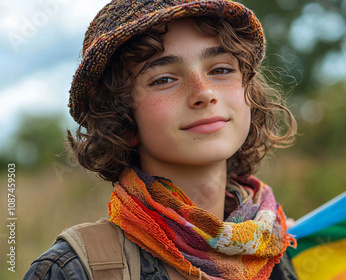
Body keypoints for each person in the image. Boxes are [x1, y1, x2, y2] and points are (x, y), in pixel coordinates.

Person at [24, 0, 298, 279]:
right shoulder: (73, 270)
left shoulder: (278, 246)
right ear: (122, 119)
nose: (204, 92)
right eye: (164, 79)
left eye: (220, 70)